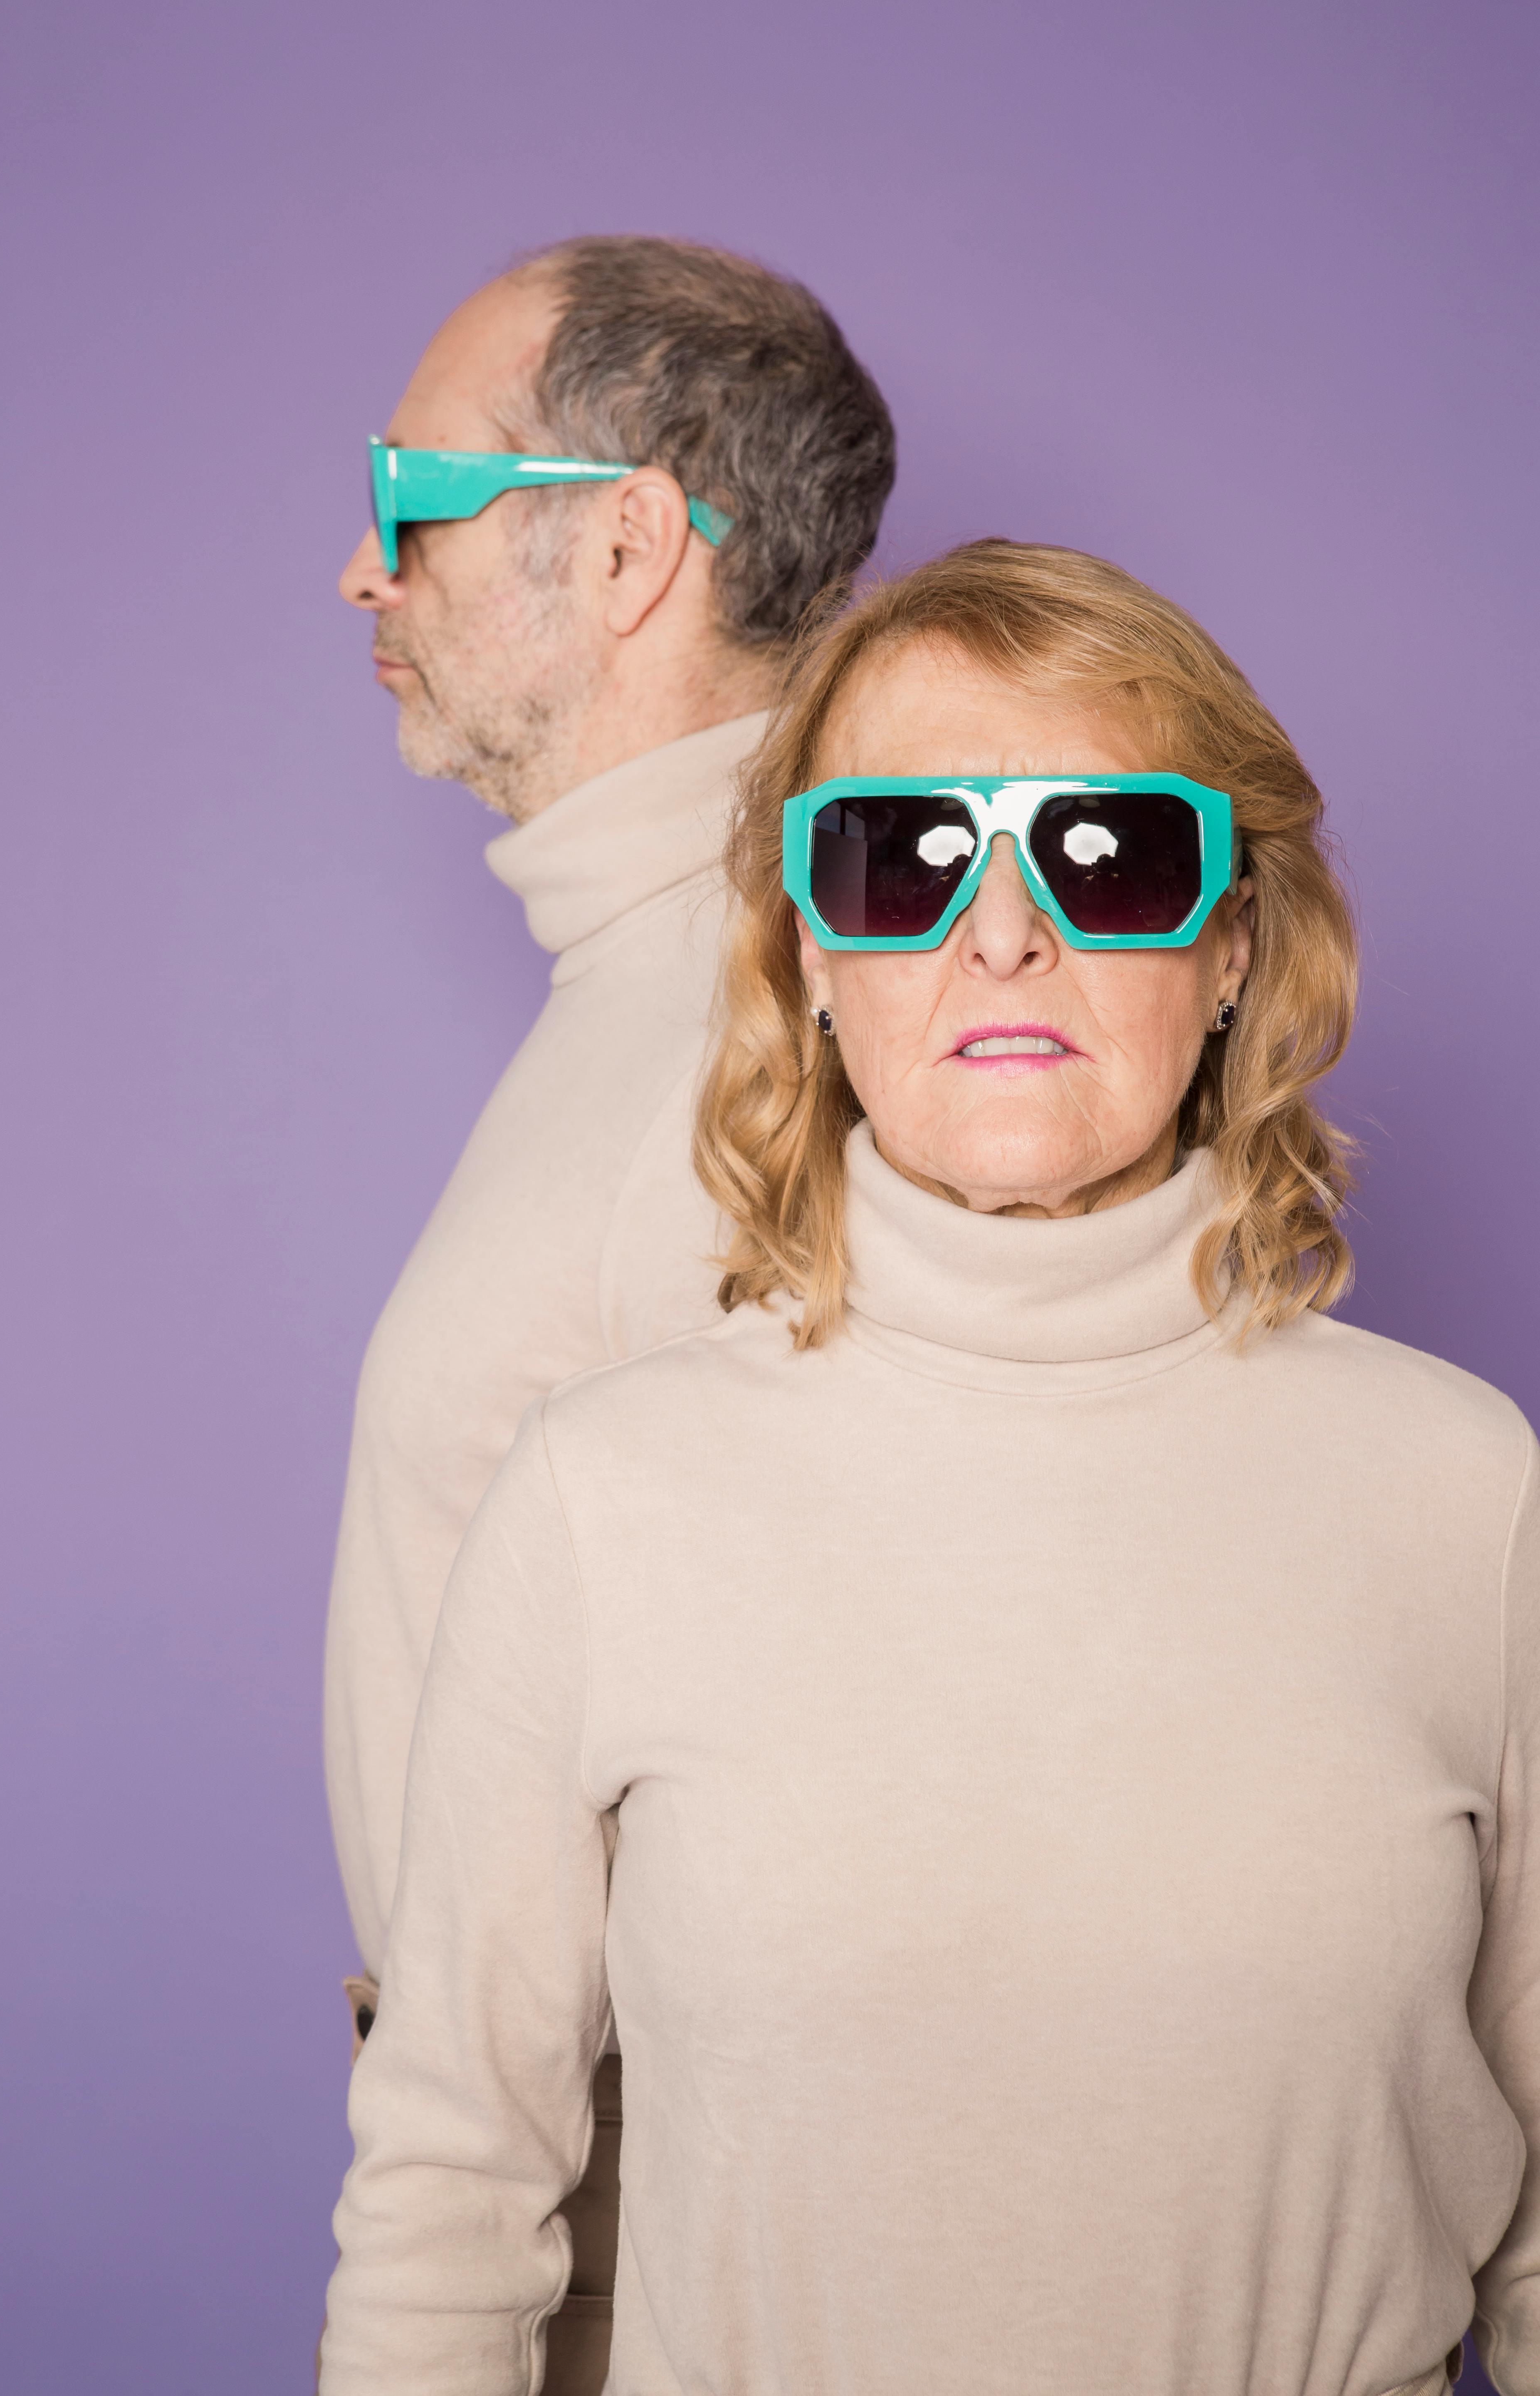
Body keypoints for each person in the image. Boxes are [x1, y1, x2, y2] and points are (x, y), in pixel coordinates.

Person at [321, 540, 1540, 2396]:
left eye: (1105, 855)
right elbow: (448, 2203)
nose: (1002, 933)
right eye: (904, 857)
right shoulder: (602, 1496)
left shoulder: (1473, 1498)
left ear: (1226, 946)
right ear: (812, 951)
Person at [324, 235, 894, 2384]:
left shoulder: (781, 1018)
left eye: (409, 505)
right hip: (545, 2164)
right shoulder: (658, 986)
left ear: (634, 541)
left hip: (654, 2198)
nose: (361, 578)